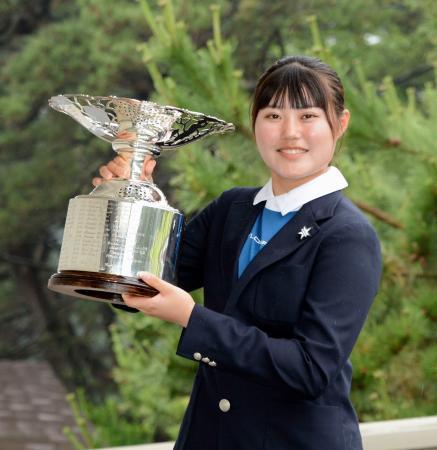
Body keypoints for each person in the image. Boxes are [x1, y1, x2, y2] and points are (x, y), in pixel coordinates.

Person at [93, 55, 382, 450]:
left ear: (340, 124)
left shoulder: (347, 236)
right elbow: (135, 287)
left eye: (308, 116)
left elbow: (311, 370)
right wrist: (132, 201)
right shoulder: (232, 210)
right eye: (273, 116)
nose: (290, 132)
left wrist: (192, 318)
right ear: (255, 122)